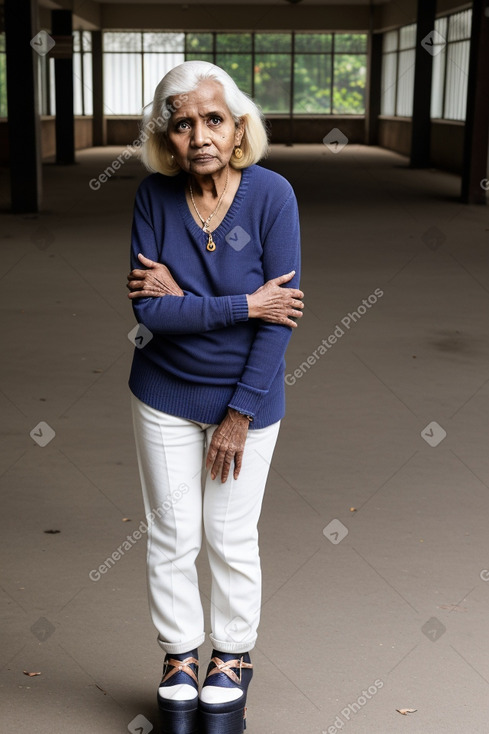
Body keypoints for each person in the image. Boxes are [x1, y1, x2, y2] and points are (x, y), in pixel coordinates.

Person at [126, 60, 303, 734]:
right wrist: (244, 302)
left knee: (230, 536)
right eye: (181, 124)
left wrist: (238, 414)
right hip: (163, 391)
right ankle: (178, 657)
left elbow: (279, 320)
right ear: (166, 138)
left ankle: (230, 657)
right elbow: (152, 318)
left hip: (246, 399)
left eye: (212, 120)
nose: (198, 134)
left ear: (237, 130)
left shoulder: (272, 196)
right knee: (171, 534)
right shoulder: (152, 197)